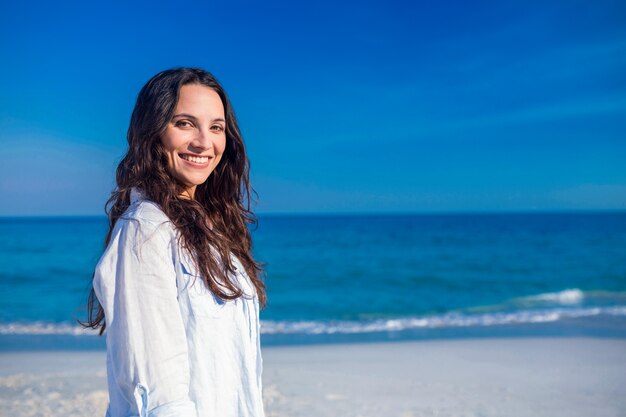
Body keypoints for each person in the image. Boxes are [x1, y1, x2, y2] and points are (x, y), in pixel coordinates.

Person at [80, 67, 267, 417]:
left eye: (216, 127)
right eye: (184, 123)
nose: (203, 142)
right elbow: (157, 388)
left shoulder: (213, 233)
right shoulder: (145, 230)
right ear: (152, 133)